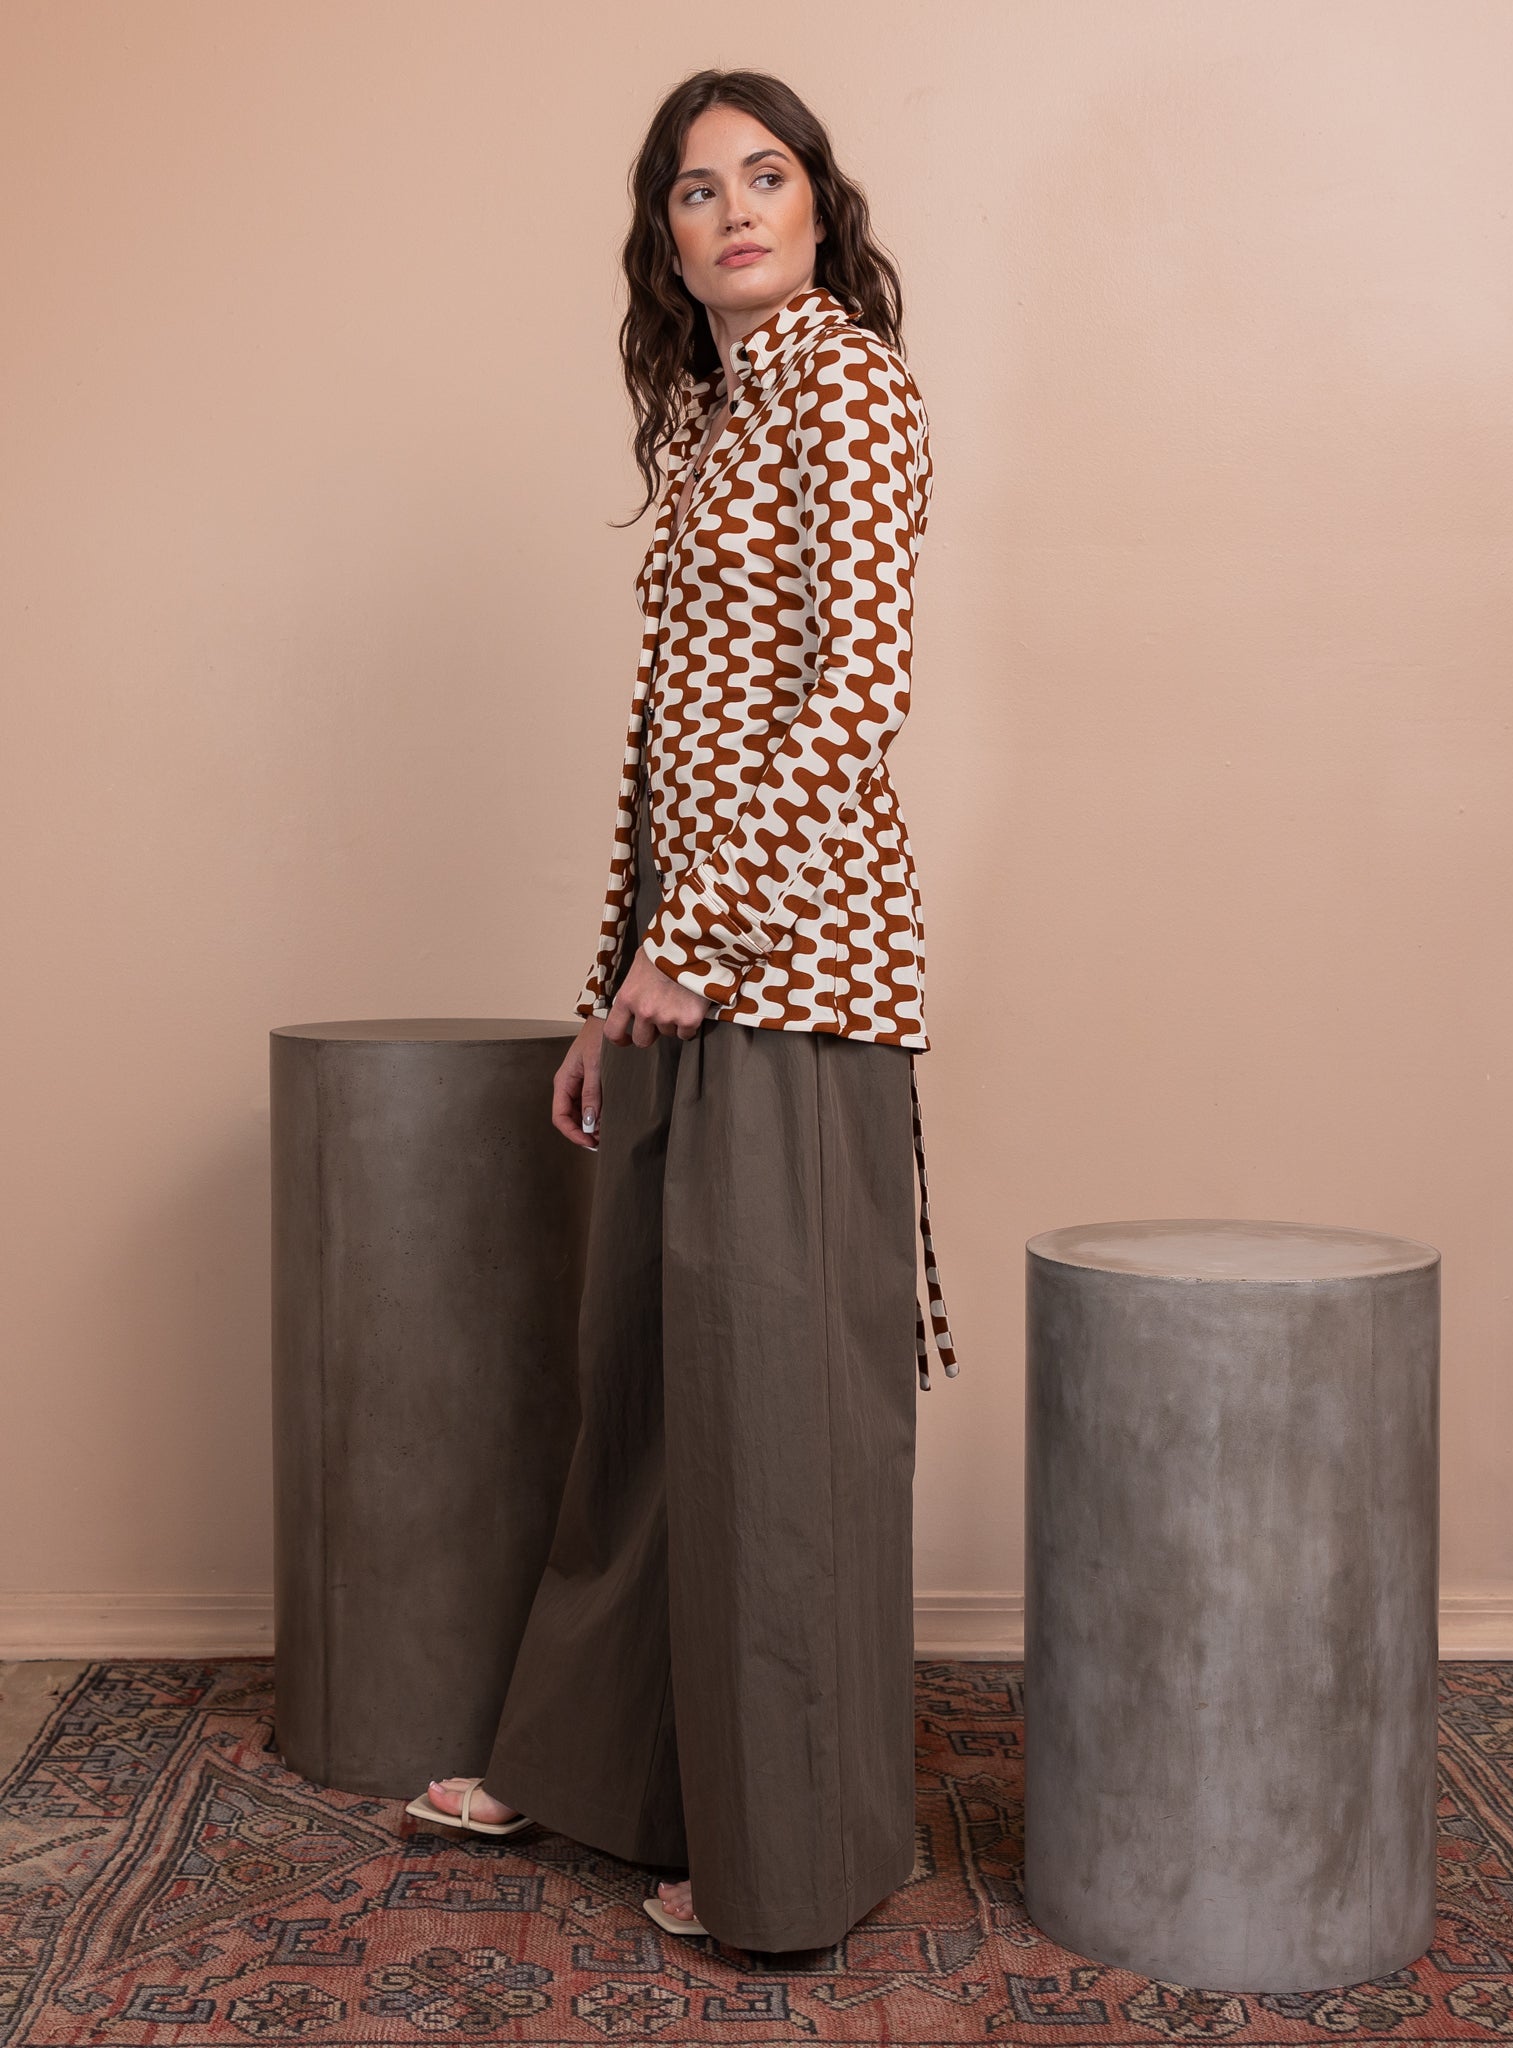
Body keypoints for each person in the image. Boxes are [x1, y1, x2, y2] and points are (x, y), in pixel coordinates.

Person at [408, 67, 958, 1953]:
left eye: (764, 175)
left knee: (775, 1426)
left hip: (796, 982)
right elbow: (678, 761)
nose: (732, 211)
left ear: (819, 205)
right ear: (666, 235)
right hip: (681, 976)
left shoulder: (851, 386)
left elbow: (853, 699)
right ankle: (600, 1775)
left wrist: (700, 945)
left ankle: (782, 1859)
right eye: (696, 189)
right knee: (651, 1395)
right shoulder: (720, 423)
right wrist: (607, 994)